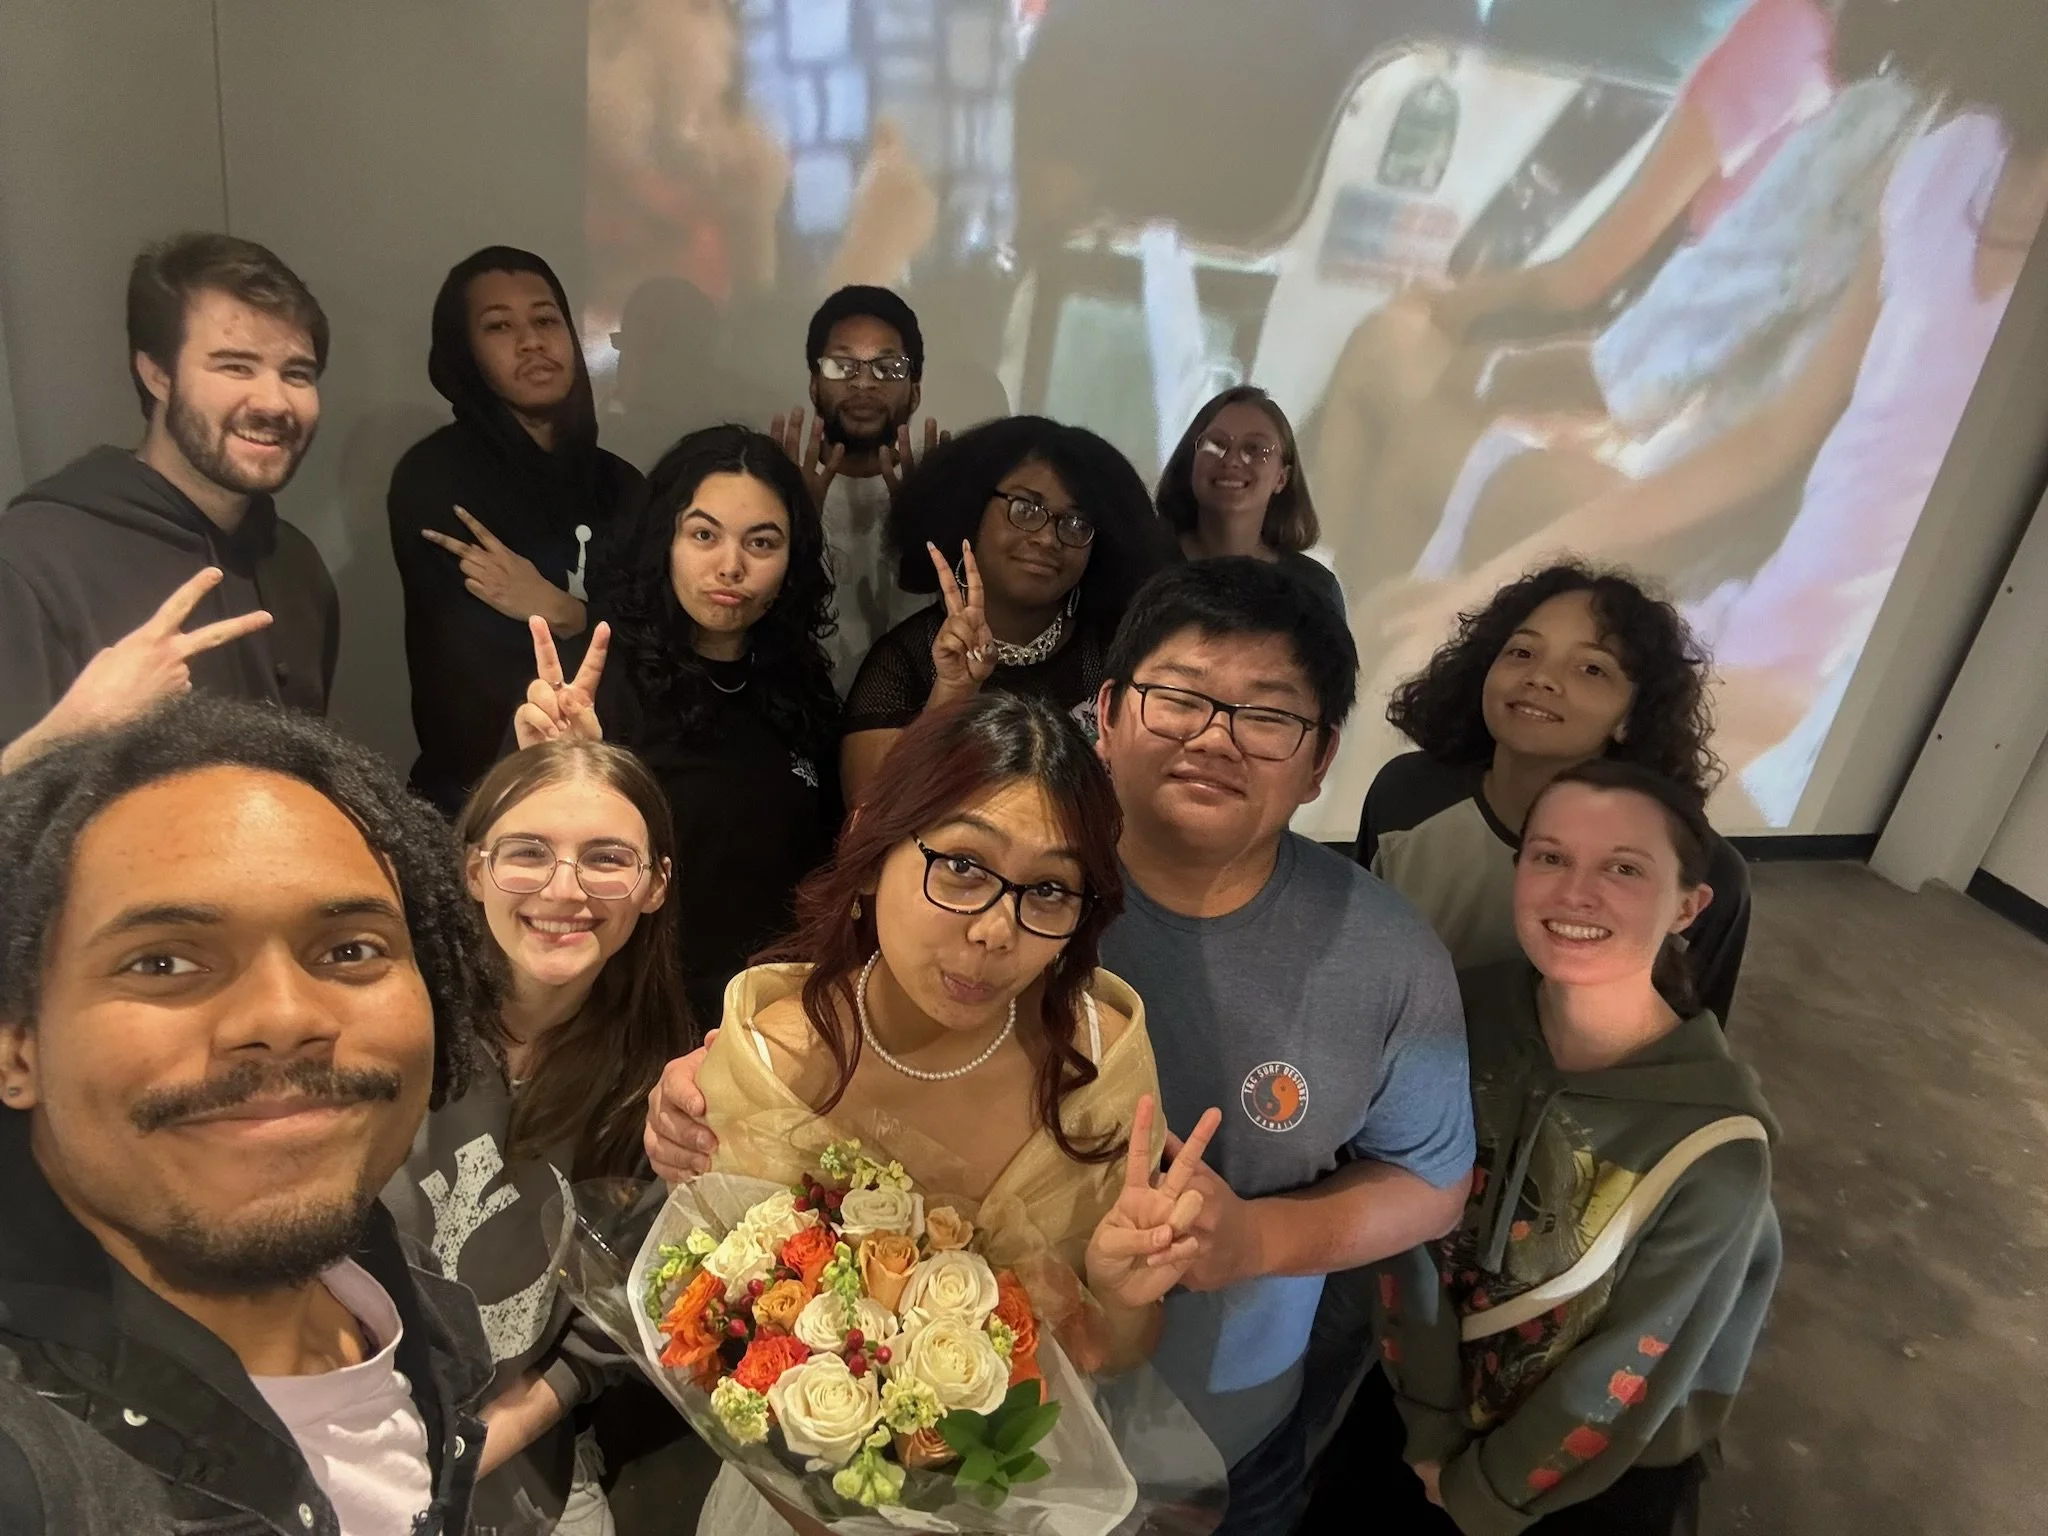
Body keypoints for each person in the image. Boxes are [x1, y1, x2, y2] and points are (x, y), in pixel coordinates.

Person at [652, 560, 1477, 1533]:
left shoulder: (1383, 954)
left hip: (1219, 1429)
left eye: (1264, 713)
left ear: (1320, 755)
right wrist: (716, 1090)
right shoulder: (1005, 879)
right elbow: (821, 1004)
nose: (1214, 736)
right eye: (1180, 696)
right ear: (1110, 711)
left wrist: (1254, 1239)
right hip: (867, 1451)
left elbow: (1431, 1181)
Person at [687, 690, 1224, 1533]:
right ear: (872, 848)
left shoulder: (1101, 1058)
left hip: (1019, 1494)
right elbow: (726, 1359)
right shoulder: (772, 1062)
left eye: (1048, 889)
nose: (996, 932)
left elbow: (1106, 1358)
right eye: (964, 868)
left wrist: (1120, 1295)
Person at [0, 695, 502, 1536]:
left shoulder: (406, 1304)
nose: (281, 1018)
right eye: (163, 962)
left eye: (350, 949)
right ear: (19, 1048)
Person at [1318, 759, 1780, 1534]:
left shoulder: (1717, 1143)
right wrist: (1430, 1435)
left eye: (1624, 868)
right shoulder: (1454, 1015)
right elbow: (1410, 1230)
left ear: (1688, 906)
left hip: (1584, 1475)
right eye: (1550, 857)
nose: (1575, 893)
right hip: (1410, 1407)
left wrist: (1482, 1495)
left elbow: (1630, 1368)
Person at [379, 740, 689, 1536]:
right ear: (472, 869)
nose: (565, 890)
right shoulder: (383, 1022)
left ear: (653, 886)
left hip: (520, 1461)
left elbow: (623, 1307)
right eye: (528, 853)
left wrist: (485, 1441)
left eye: (606, 859)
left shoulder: (659, 1080)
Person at [512, 423, 842, 1027]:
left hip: (769, 1018)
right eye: (703, 535)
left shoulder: (804, 686)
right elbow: (531, 875)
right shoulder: (594, 683)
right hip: (627, 1016)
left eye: (762, 543)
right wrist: (567, 774)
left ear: (791, 561)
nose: (730, 566)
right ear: (665, 540)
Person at [1357, 564, 1751, 1027]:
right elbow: (1361, 966)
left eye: (1591, 668)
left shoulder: (1706, 874)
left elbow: (1690, 1040)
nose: (1540, 677)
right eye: (1522, 652)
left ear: (1633, 715)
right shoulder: (1406, 796)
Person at [0, 232, 336, 757]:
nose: (274, 401)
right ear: (156, 374)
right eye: (235, 366)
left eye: (296, 373)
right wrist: (73, 734)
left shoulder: (296, 565)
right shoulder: (30, 561)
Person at [389, 246, 646, 817]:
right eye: (499, 325)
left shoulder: (622, 485)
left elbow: (657, 646)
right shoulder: (438, 479)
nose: (531, 341)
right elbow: (478, 662)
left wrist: (562, 610)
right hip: (481, 800)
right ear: (465, 351)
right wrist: (602, 622)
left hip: (610, 787)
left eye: (546, 319)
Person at [840, 415, 1174, 803]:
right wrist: (952, 696)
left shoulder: (1121, 658)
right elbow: (870, 819)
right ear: (970, 511)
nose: (1048, 538)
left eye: (1076, 522)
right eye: (1026, 509)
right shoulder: (905, 662)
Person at [771, 285, 947, 690]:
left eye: (889, 368)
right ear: (815, 385)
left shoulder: (940, 496)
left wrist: (920, 526)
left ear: (915, 392)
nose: (864, 383)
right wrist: (795, 521)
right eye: (842, 365)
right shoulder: (776, 489)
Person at [1157, 385, 1344, 615]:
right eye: (1216, 444)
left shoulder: (1316, 590)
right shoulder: (1141, 565)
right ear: (1191, 461)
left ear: (1282, 478)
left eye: (1255, 448)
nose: (1232, 460)